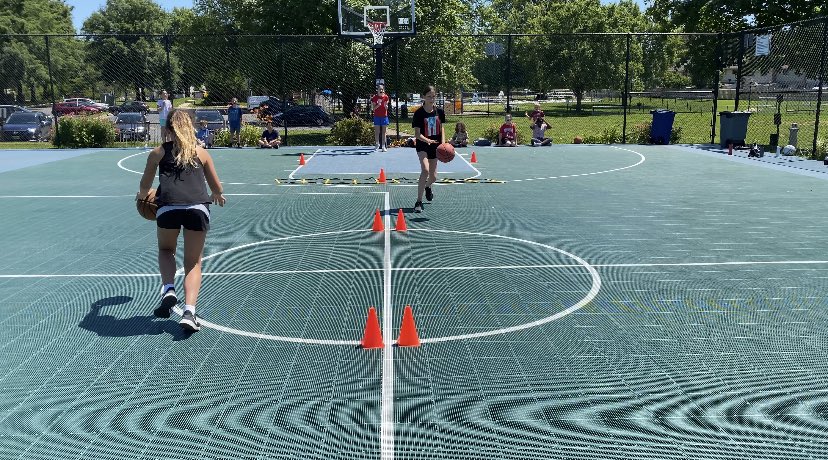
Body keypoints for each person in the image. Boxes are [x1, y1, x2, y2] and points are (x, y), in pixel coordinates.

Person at [137, 109, 226, 332]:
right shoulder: (201, 152)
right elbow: (217, 188)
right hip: (197, 207)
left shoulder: (157, 152)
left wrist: (143, 198)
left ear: (167, 129)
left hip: (168, 207)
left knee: (166, 250)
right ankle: (189, 312)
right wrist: (216, 194)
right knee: (193, 263)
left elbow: (144, 188)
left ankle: (168, 288)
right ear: (191, 127)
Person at [411, 85, 445, 213]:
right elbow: (417, 134)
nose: (431, 99)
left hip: (435, 145)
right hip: (423, 144)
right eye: (429, 96)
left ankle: (427, 187)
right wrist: (428, 140)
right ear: (424, 97)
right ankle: (418, 201)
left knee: (434, 177)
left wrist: (442, 143)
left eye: (433, 96)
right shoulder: (419, 113)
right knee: (425, 170)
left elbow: (442, 128)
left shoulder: (439, 112)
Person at [371, 84, 390, 151]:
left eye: (382, 89)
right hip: (377, 116)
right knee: (377, 131)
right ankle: (377, 144)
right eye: (380, 89)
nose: (381, 91)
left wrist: (386, 106)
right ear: (377, 90)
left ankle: (383, 146)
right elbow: (373, 109)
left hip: (384, 116)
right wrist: (378, 105)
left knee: (384, 132)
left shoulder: (386, 97)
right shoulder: (374, 98)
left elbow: (387, 107)